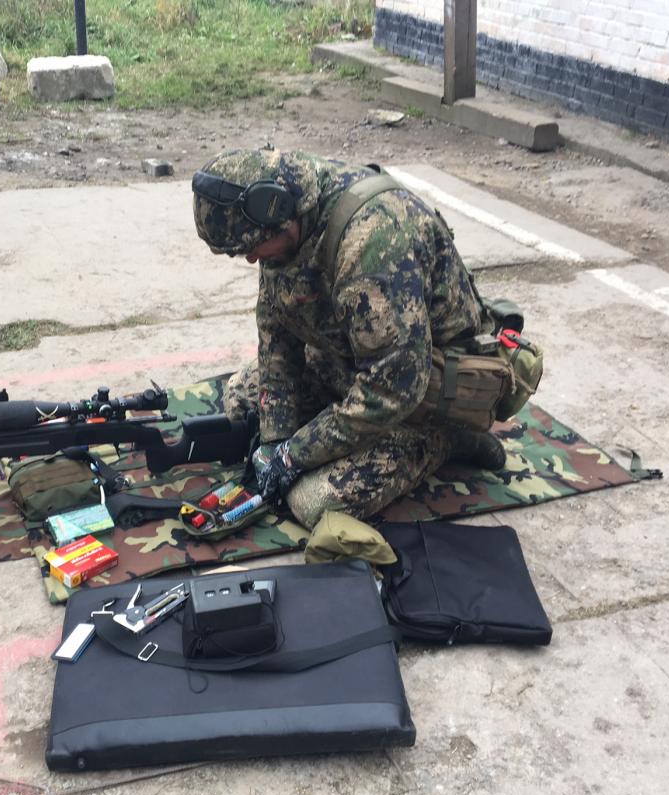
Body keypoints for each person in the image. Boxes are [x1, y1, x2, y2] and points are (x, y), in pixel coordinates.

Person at [192, 146, 507, 529]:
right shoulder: (281, 220)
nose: (250, 259)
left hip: (422, 391)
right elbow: (277, 336)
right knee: (242, 400)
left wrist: (295, 454)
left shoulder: (372, 242)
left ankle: (448, 440)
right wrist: (275, 440)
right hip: (355, 358)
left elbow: (392, 390)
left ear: (283, 219)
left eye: (252, 247)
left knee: (312, 502)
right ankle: (333, 423)